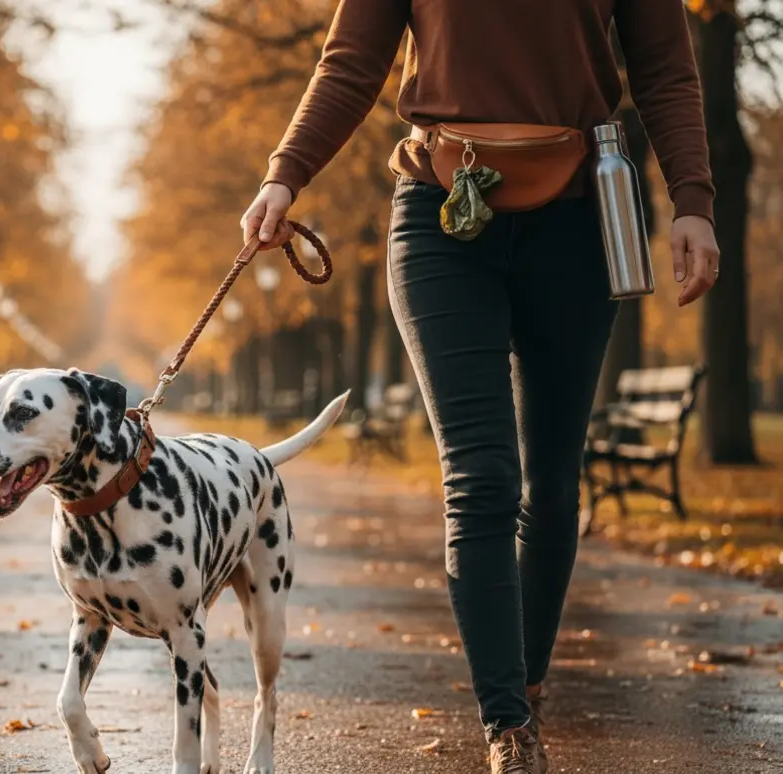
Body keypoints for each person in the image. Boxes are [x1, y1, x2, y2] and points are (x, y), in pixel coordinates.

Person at [241, 2, 719, 773]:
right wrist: (285, 175)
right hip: (440, 216)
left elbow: (665, 67)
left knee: (552, 483)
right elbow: (351, 61)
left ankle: (523, 687)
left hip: (579, 217)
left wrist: (692, 200)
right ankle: (509, 727)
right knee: (482, 476)